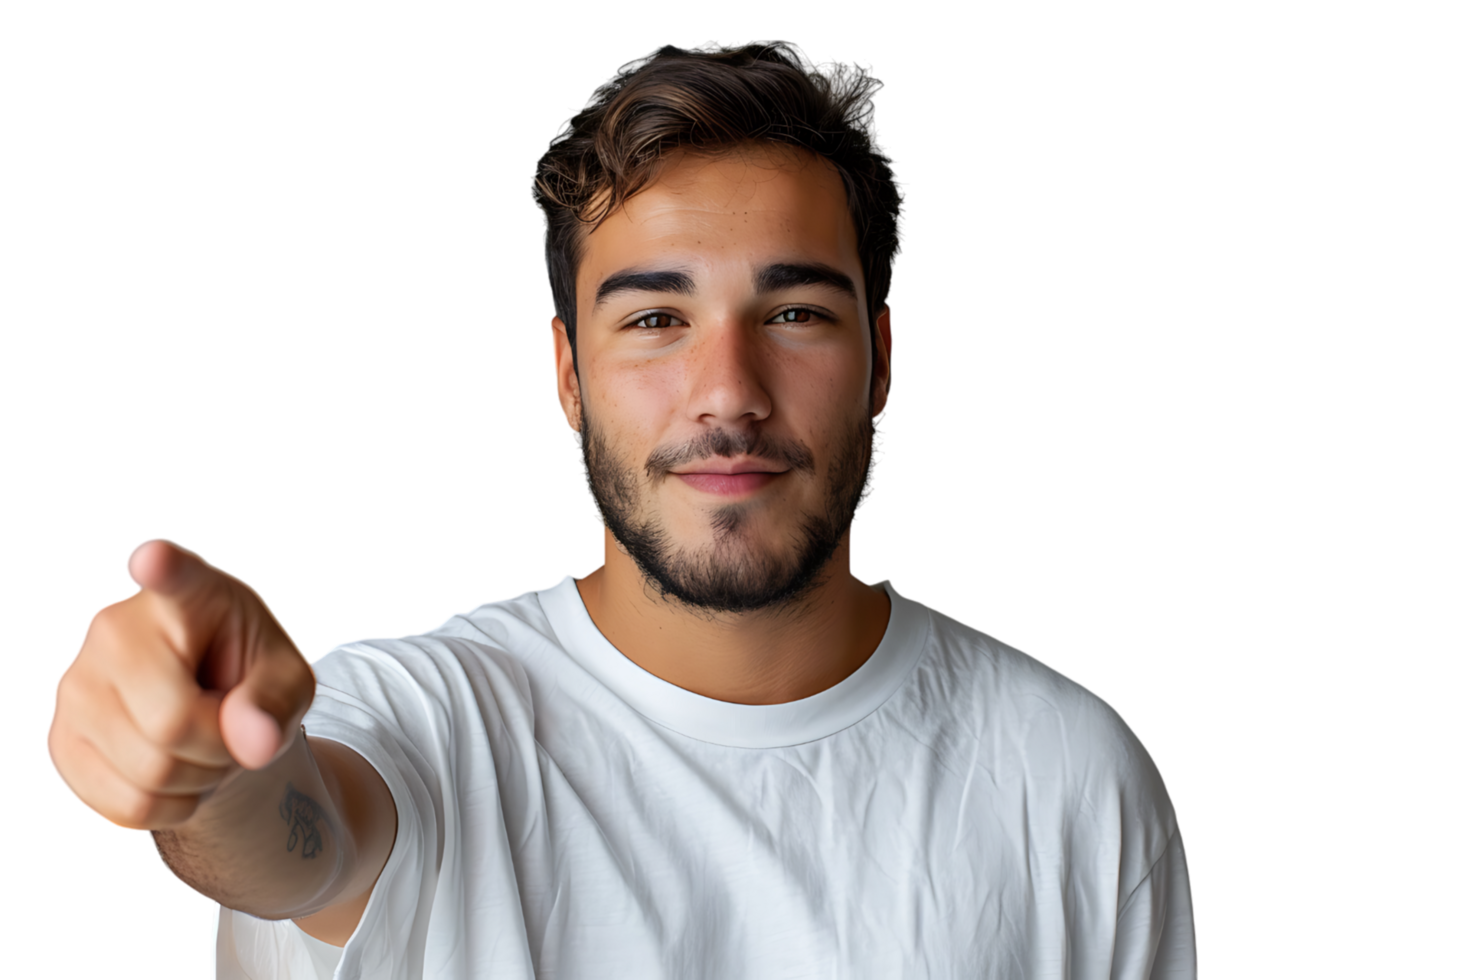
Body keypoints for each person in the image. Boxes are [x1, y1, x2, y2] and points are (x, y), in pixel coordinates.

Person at [45, 39, 1199, 979]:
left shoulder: (1069, 774)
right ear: (566, 373)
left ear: (883, 358)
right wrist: (204, 771)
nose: (730, 393)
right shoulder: (430, 716)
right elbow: (297, 836)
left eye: (795, 311)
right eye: (655, 319)